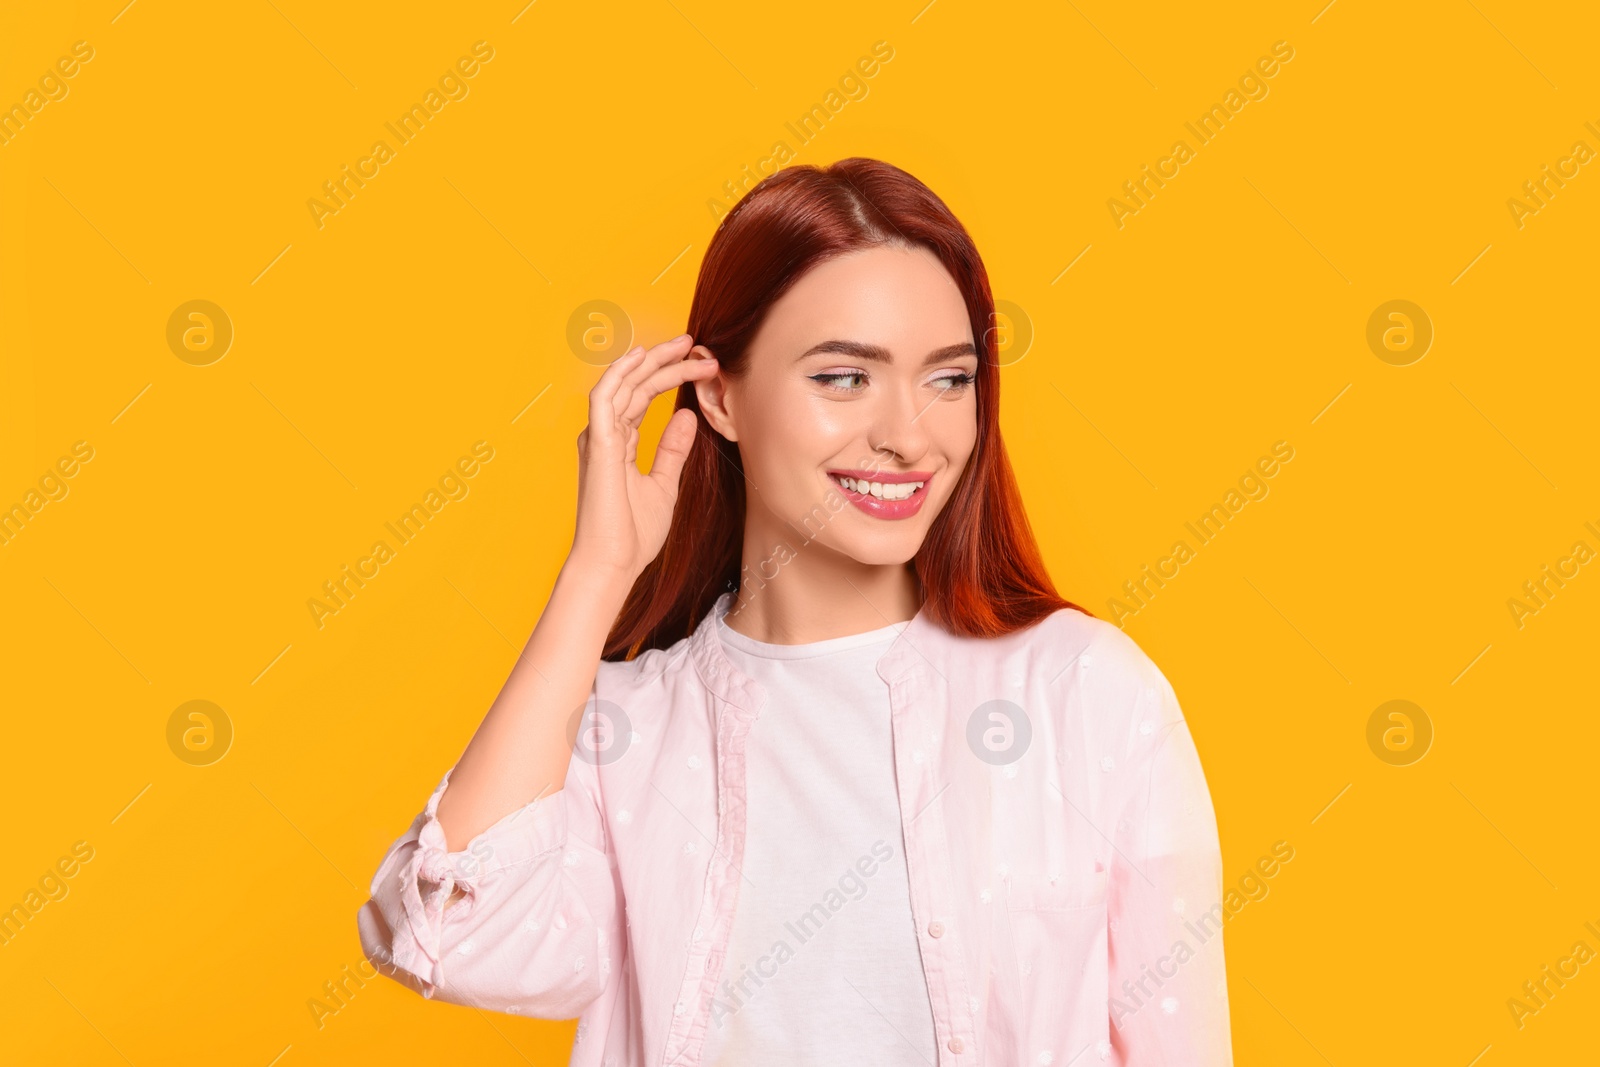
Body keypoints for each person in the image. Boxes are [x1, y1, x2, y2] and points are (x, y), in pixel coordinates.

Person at [357, 157, 1232, 1066]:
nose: (907, 435)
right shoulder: (624, 730)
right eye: (845, 377)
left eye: (948, 379)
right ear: (722, 395)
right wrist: (597, 573)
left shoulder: (1083, 692)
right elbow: (440, 935)